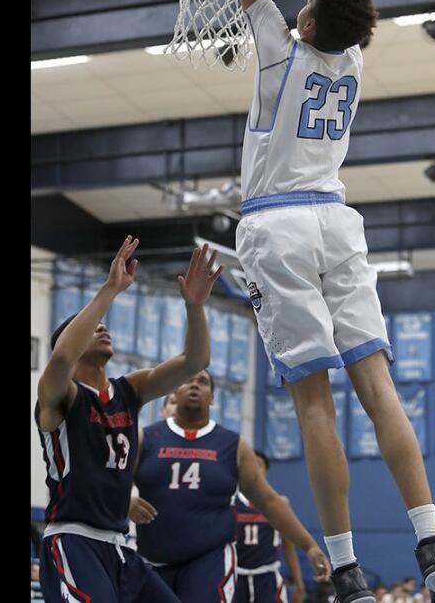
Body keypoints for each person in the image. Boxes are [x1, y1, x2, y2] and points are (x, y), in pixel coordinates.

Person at [231, 0, 435, 603]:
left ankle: (343, 569)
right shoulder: (351, 59)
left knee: (313, 400)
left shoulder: (281, 52)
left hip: (278, 226)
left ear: (306, 22)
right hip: (338, 220)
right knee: (380, 390)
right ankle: (431, 545)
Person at [35, 239, 224, 603]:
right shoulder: (60, 396)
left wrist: (195, 306)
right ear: (72, 345)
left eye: (104, 324)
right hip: (74, 541)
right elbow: (60, 359)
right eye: (91, 327)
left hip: (120, 549)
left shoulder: (130, 390)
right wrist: (110, 290)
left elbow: (193, 361)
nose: (102, 328)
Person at [129, 368, 331, 601]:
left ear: (213, 397)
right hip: (152, 556)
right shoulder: (146, 437)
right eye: (187, 380)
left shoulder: (232, 445)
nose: (195, 385)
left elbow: (268, 501)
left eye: (203, 382)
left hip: (209, 558)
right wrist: (125, 501)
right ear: (174, 392)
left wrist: (309, 546)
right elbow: (114, 484)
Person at [233, 449, 310, 603]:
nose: (254, 467)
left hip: (267, 578)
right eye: (250, 463)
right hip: (236, 577)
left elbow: (288, 547)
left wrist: (299, 585)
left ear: (266, 471)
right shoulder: (230, 502)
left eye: (259, 464)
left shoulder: (279, 503)